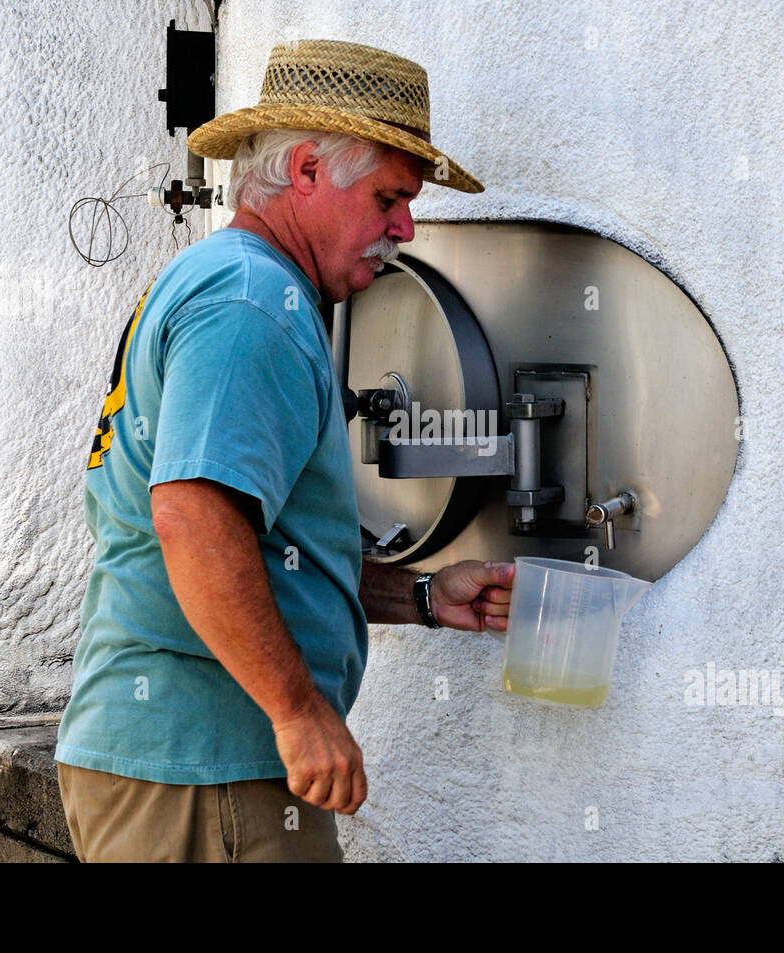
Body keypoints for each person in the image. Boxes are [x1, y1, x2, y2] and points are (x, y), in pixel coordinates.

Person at [53, 38, 514, 862]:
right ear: (306, 172)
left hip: (189, 768)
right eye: (388, 198)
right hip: (205, 773)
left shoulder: (235, 282)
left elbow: (264, 550)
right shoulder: (253, 304)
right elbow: (194, 521)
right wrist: (301, 715)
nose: (403, 229)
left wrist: (420, 597)